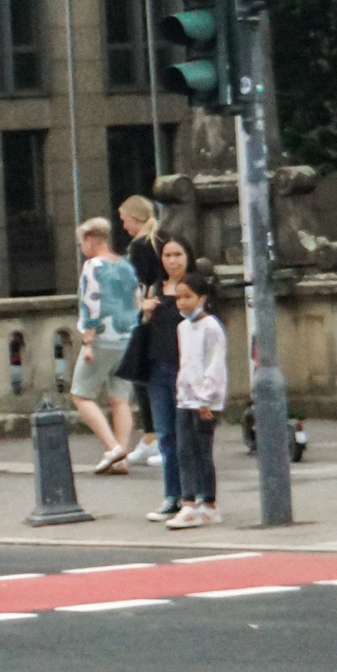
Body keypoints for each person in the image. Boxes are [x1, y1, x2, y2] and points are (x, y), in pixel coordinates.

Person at [70, 219, 141, 473]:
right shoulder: (125, 266)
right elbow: (137, 300)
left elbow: (91, 302)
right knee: (120, 399)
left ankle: (112, 447)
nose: (82, 248)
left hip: (103, 336)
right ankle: (121, 457)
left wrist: (88, 340)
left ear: (91, 239)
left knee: (81, 394)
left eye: (82, 243)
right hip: (126, 337)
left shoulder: (93, 266)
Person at [140, 235, 193, 523]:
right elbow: (146, 330)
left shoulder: (195, 287)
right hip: (158, 368)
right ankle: (172, 494)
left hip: (185, 368)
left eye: (178, 254)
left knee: (189, 434)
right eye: (167, 255)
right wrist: (145, 313)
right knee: (166, 434)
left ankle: (194, 494)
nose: (172, 260)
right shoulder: (156, 288)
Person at [169, 272, 228, 529]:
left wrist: (206, 399)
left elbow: (215, 365)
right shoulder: (182, 327)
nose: (181, 302)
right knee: (184, 451)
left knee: (202, 451)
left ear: (201, 298)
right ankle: (189, 502)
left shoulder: (211, 327)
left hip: (204, 400)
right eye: (178, 297)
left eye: (187, 297)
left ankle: (208, 503)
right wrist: (183, 392)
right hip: (186, 398)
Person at [117, 195, 166, 469]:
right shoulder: (159, 239)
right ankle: (151, 437)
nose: (124, 226)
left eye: (125, 220)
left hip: (148, 315)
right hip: (163, 310)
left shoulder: (140, 245)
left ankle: (154, 435)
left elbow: (141, 282)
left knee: (143, 376)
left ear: (135, 219)